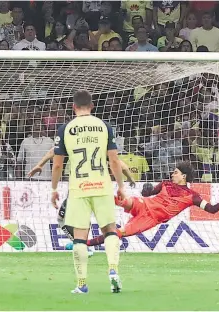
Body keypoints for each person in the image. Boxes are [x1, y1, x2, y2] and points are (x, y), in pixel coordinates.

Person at [51, 90, 126, 294]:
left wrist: (54, 188)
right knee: (110, 230)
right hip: (102, 185)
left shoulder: (65, 129)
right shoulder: (104, 127)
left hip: (79, 188)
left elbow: (57, 165)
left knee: (80, 237)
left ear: (73, 107)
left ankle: (82, 284)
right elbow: (114, 161)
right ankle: (113, 271)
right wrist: (120, 186)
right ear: (92, 106)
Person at [71, 162, 219, 248]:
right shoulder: (165, 184)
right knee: (123, 200)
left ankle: (84, 244)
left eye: (176, 172)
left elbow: (212, 210)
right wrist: (146, 189)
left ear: (184, 176)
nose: (172, 174)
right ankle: (90, 194)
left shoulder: (193, 197)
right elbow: (147, 193)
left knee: (119, 232)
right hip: (144, 205)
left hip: (151, 219)